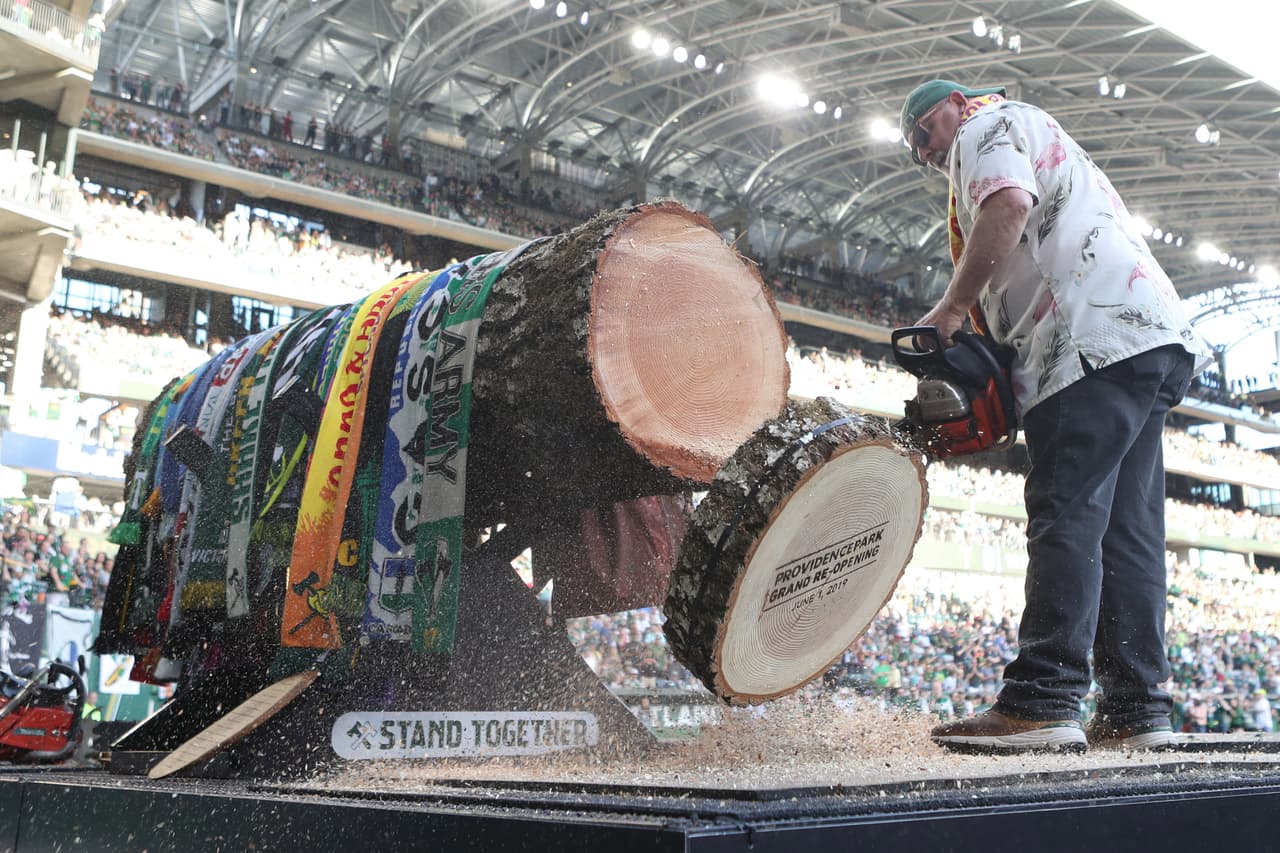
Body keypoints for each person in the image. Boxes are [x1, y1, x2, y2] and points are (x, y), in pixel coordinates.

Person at [900, 80, 1213, 753]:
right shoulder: (1038, 133)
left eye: (923, 134)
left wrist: (951, 311)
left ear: (955, 103)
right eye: (916, 149)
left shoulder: (987, 126)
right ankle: (1135, 708)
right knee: (1128, 532)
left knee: (1065, 512)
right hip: (1144, 337)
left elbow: (1008, 204)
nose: (923, 154)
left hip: (1084, 340)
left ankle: (1041, 698)